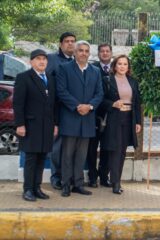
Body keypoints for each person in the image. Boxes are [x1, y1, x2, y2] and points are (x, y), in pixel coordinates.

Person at [57, 40, 103, 197]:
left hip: (87, 119)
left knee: (81, 155)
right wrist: (77, 106)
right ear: (75, 52)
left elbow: (99, 94)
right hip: (70, 117)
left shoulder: (95, 71)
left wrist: (89, 107)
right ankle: (65, 184)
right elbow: (61, 91)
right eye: (80, 50)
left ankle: (78, 184)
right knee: (67, 154)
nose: (83, 53)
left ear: (89, 53)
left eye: (86, 51)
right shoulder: (64, 68)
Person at [13, 49, 58, 201]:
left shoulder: (50, 79)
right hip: (30, 126)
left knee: (42, 158)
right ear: (31, 61)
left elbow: (54, 104)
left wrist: (55, 124)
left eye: (44, 59)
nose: (42, 61)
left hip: (47, 126)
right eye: (38, 59)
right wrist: (20, 124)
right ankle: (27, 190)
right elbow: (18, 104)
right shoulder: (23, 77)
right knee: (31, 159)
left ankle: (37, 188)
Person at [100, 55, 141, 194]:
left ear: (128, 67)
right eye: (120, 64)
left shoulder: (133, 81)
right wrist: (113, 104)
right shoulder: (107, 80)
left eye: (125, 64)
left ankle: (116, 180)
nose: (122, 66)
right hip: (114, 118)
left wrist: (138, 122)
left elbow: (137, 103)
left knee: (122, 151)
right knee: (115, 151)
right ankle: (115, 183)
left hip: (129, 119)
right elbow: (101, 100)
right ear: (114, 66)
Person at [47, 32, 76, 190]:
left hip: (73, 111)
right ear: (60, 44)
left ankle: (68, 177)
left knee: (71, 147)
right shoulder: (52, 59)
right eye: (67, 41)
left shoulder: (77, 61)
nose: (70, 44)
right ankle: (56, 177)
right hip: (56, 110)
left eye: (73, 41)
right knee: (57, 147)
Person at [87, 43, 113, 188]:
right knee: (91, 148)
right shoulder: (93, 69)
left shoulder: (116, 69)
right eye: (102, 51)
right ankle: (92, 177)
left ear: (111, 53)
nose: (104, 53)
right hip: (95, 115)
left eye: (107, 51)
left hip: (111, 116)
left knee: (107, 148)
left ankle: (104, 177)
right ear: (98, 53)